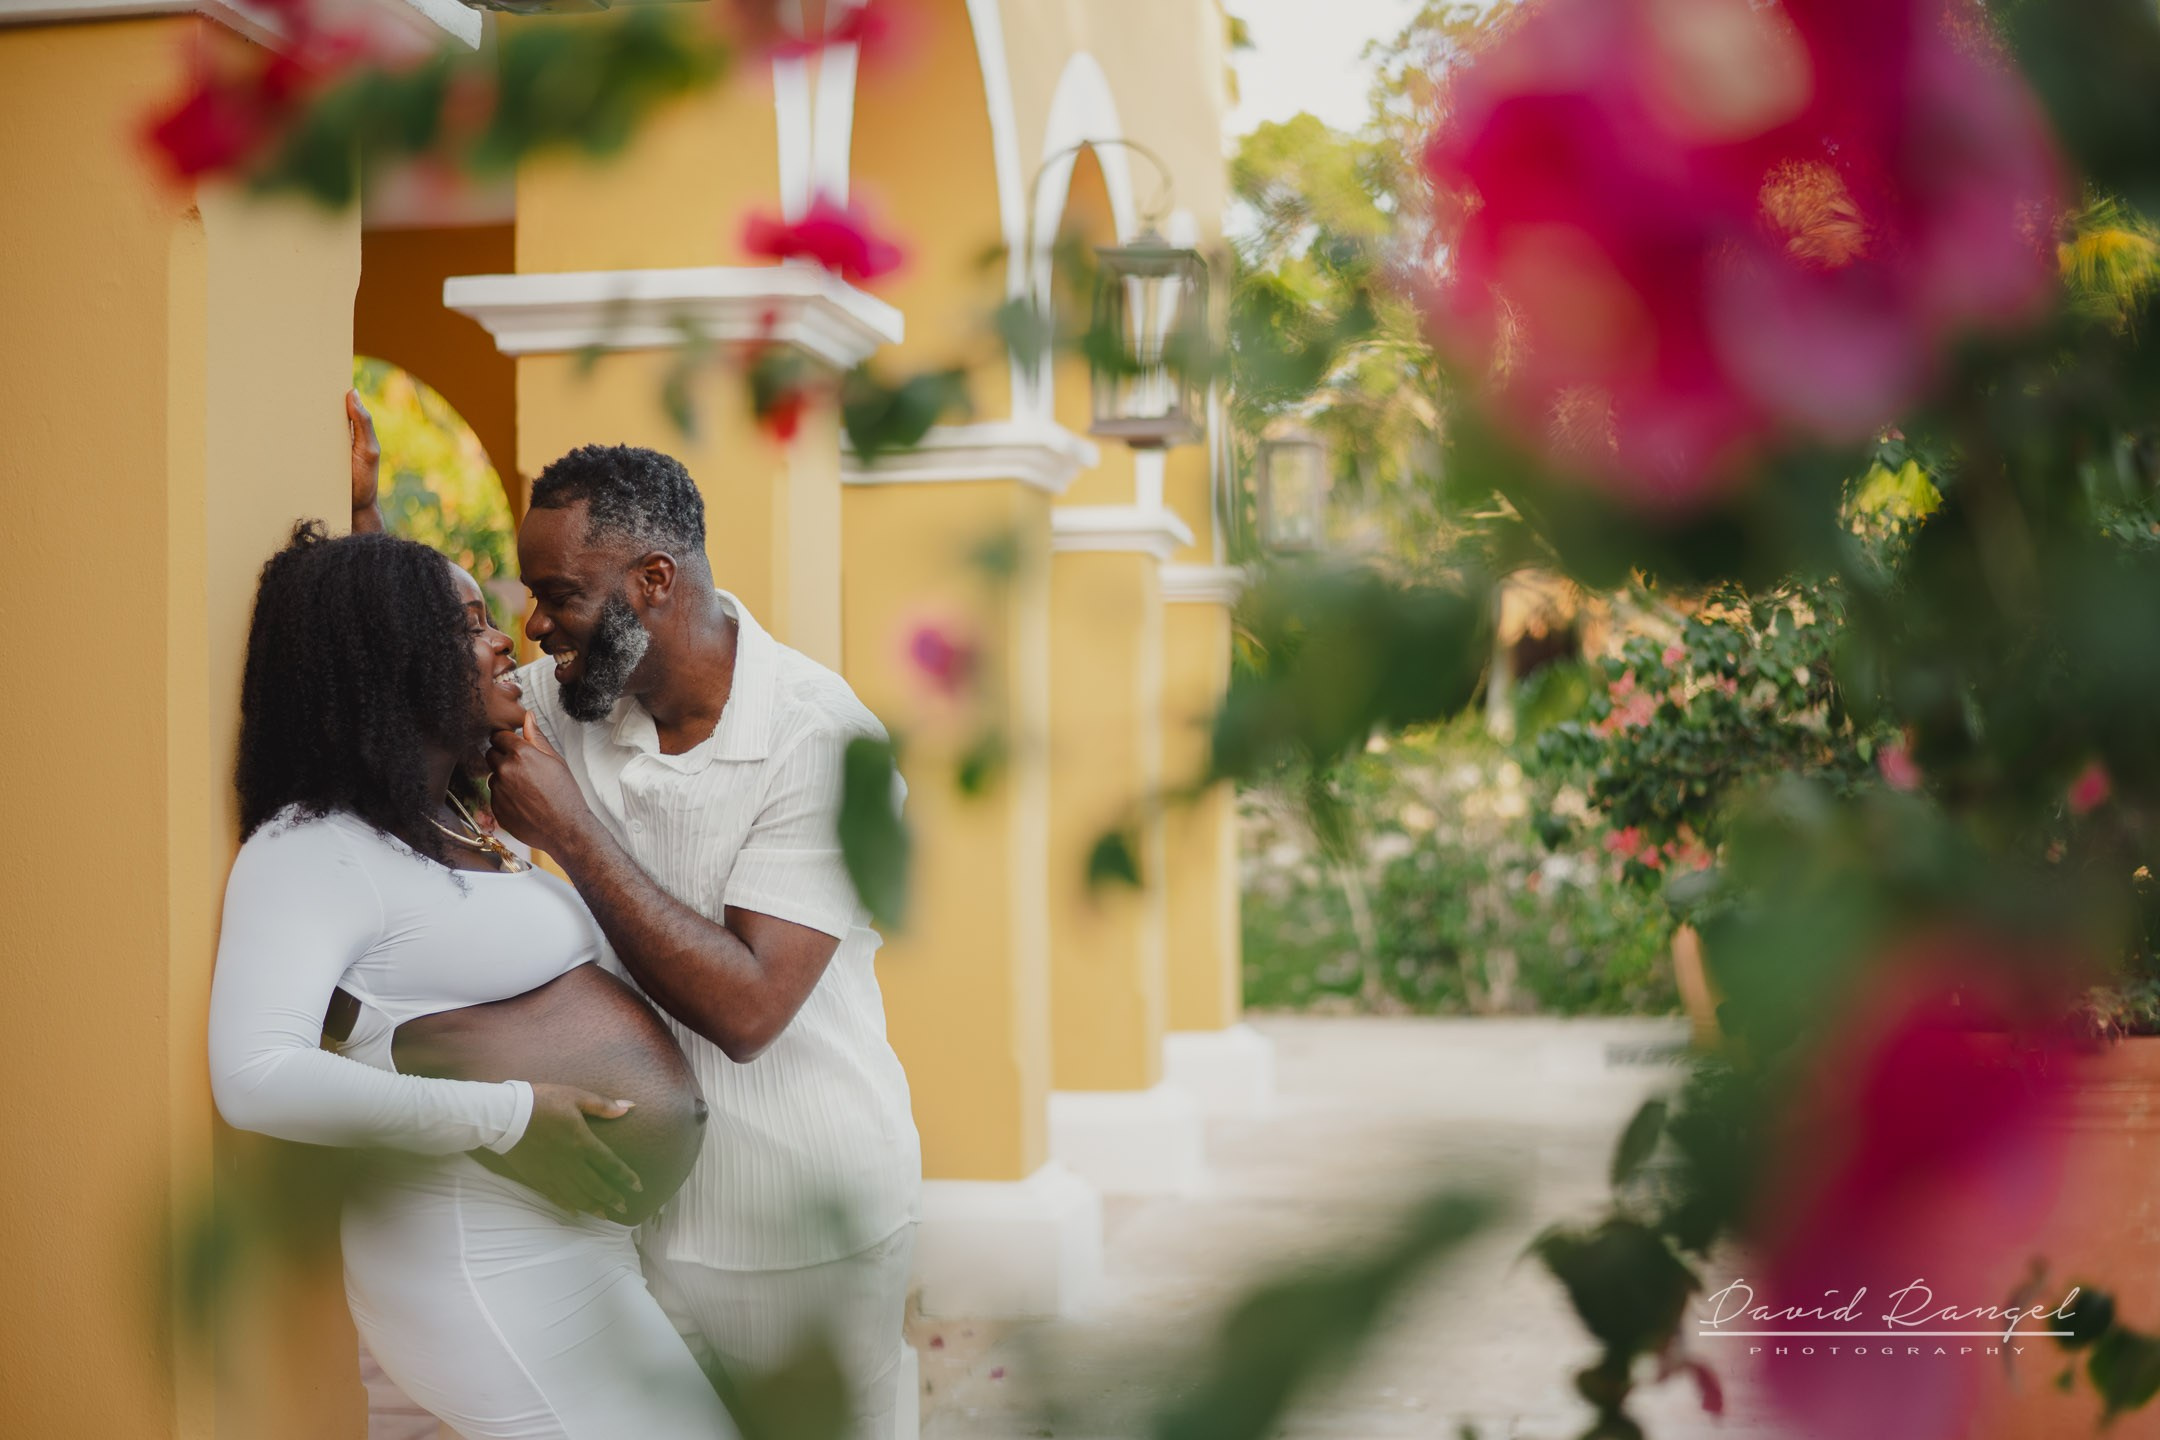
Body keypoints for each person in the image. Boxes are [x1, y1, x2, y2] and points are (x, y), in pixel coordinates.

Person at [348, 431, 922, 1440]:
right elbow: (425, 674)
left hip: (793, 1232)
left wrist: (570, 829)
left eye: (559, 593)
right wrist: (363, 520)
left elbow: (750, 1008)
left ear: (654, 580)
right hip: (614, 1220)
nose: (534, 625)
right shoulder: (569, 697)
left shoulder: (824, 741)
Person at [207, 517, 739, 1440]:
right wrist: (511, 1115)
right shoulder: (310, 849)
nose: (502, 638)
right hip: (481, 1262)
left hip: (577, 1248)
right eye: (463, 624)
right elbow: (254, 1076)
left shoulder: (460, 818)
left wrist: (364, 515)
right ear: (389, 658)